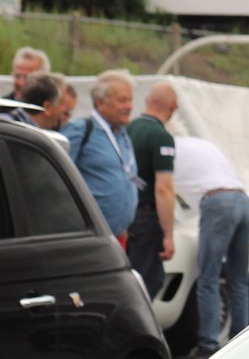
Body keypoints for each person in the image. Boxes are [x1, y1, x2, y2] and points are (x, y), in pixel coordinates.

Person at [169, 135, 249, 359]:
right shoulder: (201, 145)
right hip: (244, 200)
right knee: (239, 279)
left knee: (208, 278)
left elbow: (164, 190)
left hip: (217, 202)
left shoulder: (167, 149)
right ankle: (241, 343)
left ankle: (207, 347)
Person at [61, 70, 140, 241]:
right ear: (100, 103)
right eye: (122, 100)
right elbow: (57, 178)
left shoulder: (123, 135)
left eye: (130, 100)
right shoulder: (81, 130)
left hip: (118, 235)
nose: (129, 106)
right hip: (88, 236)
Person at [125, 82, 179, 299]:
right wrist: (168, 234)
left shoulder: (127, 128)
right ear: (173, 107)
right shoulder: (161, 137)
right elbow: (164, 188)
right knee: (146, 284)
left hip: (125, 213)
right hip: (146, 218)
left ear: (147, 101)